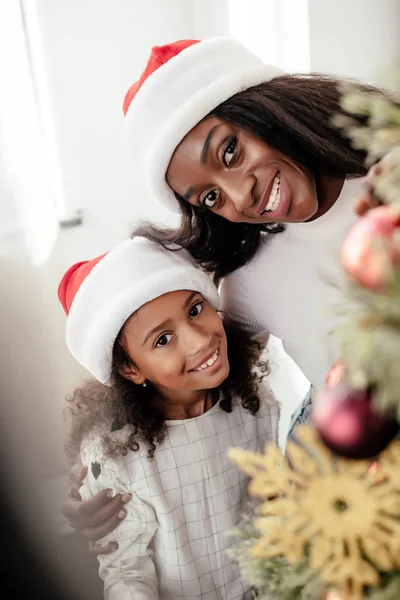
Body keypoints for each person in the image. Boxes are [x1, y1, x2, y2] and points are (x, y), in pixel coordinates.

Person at [62, 36, 392, 549]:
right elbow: (178, 374)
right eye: (211, 196)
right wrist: (97, 468)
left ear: (265, 105)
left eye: (230, 151)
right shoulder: (250, 281)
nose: (243, 197)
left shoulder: (390, 166)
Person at [59, 235, 279, 599]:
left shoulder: (254, 403)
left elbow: (270, 511)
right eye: (163, 339)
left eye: (195, 310)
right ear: (131, 370)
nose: (199, 340)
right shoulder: (113, 453)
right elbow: (127, 571)